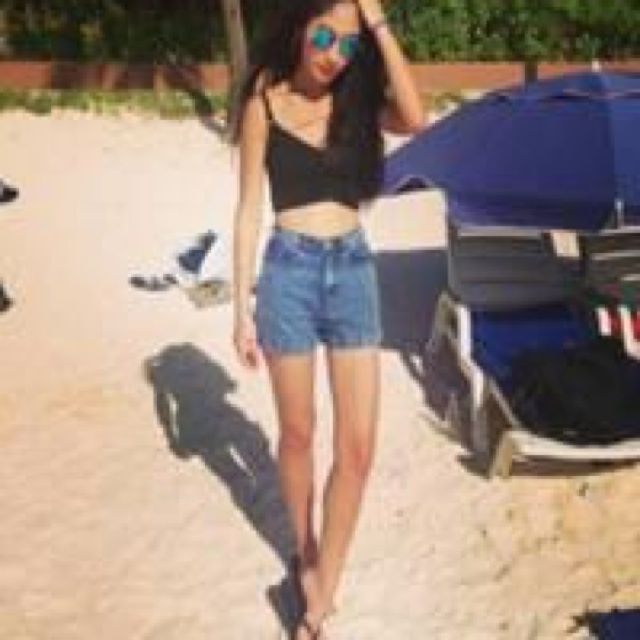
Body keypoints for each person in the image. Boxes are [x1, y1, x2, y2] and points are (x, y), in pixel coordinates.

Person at [230, 1, 424, 637]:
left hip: (354, 272)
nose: (333, 54)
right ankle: (306, 553)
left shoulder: (357, 101)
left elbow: (416, 117)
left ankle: (323, 590)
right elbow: (248, 207)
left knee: (358, 448)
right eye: (323, 36)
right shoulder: (263, 100)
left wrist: (378, 24)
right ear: (298, 28)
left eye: (347, 44)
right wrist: (240, 308)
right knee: (297, 434)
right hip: (287, 272)